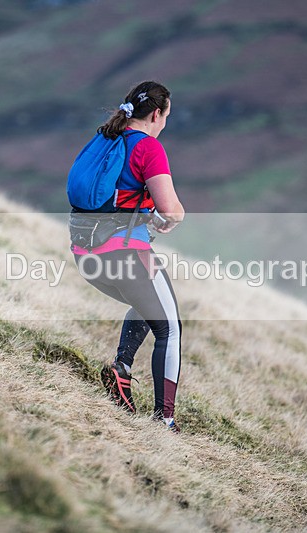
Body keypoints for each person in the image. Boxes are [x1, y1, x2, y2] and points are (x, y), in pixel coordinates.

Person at [70, 81, 185, 431]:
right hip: (125, 256)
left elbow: (111, 196)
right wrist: (170, 217)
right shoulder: (148, 147)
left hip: (86, 257)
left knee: (148, 303)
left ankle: (121, 370)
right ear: (156, 114)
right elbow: (172, 210)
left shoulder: (104, 137)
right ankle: (165, 420)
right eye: (165, 117)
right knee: (170, 329)